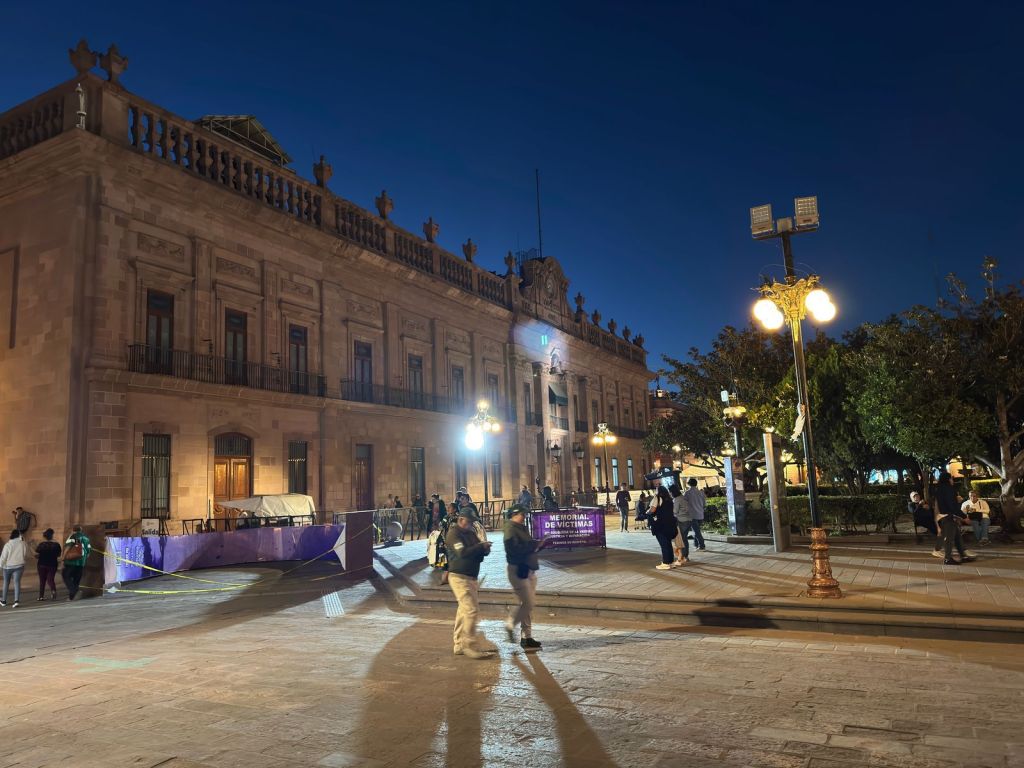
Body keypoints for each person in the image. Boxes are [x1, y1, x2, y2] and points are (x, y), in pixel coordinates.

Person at [445, 508, 496, 659]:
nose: (470, 525)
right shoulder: (453, 534)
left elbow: (477, 550)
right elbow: (463, 553)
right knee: (471, 610)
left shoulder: (471, 533)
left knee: (463, 611)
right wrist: (480, 547)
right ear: (461, 519)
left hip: (471, 577)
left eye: (472, 522)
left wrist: (485, 549)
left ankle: (459, 644)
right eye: (469, 521)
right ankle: (469, 645)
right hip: (459, 577)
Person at [503, 504, 548, 651]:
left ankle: (526, 637)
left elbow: (527, 546)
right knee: (528, 603)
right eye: (523, 514)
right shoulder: (510, 529)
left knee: (527, 605)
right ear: (515, 514)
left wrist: (539, 545)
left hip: (529, 569)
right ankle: (510, 623)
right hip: (519, 569)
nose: (525, 516)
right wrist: (533, 546)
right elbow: (513, 550)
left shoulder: (521, 527)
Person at [933, 473, 975, 566]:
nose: (952, 480)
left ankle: (963, 556)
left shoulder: (939, 489)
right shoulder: (949, 489)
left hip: (943, 516)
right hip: (948, 516)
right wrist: (964, 517)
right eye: (951, 478)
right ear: (948, 479)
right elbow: (952, 506)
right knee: (949, 539)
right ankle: (948, 559)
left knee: (957, 537)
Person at [648, 484, 677, 570]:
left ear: (658, 491)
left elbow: (652, 510)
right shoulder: (669, 500)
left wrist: (647, 513)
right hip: (670, 524)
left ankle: (665, 563)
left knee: (664, 544)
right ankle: (671, 562)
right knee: (668, 544)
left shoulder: (657, 498)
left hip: (661, 524)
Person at [62, 525, 92, 600]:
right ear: (81, 530)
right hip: (81, 563)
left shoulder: (73, 537)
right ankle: (71, 597)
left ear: (73, 530)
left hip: (71, 562)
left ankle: (73, 591)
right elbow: (88, 553)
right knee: (76, 579)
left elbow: (68, 547)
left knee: (66, 575)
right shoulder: (86, 538)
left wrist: (63, 558)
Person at [0, 529, 29, 607]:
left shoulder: (8, 545)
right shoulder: (23, 544)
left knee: (6, 583)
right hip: (19, 566)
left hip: (7, 567)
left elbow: (3, 557)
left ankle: (4, 601)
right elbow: (25, 554)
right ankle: (16, 601)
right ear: (19, 535)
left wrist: (1, 566)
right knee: (17, 583)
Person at [908, 491, 942, 556]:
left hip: (929, 518)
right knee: (932, 524)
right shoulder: (911, 504)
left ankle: (942, 534)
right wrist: (920, 505)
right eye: (914, 497)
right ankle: (939, 535)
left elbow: (931, 510)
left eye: (917, 496)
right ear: (912, 498)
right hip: (920, 520)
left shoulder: (923, 502)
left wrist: (929, 508)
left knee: (938, 521)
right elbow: (915, 513)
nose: (916, 498)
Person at [35, 528, 62, 601]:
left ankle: (41, 596)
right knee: (50, 579)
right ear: (52, 535)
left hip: (41, 564)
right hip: (52, 564)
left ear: (45, 536)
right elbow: (59, 555)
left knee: (42, 580)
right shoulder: (56, 545)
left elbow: (36, 555)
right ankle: (53, 591)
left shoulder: (41, 545)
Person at [683, 478, 707, 551]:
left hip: (692, 515)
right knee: (696, 530)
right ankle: (696, 545)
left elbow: (684, 504)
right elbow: (704, 504)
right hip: (700, 514)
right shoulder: (701, 492)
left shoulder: (687, 493)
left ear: (689, 484)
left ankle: (702, 546)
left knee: (697, 531)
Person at [671, 485, 690, 566]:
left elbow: (675, 511)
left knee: (680, 540)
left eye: (670, 492)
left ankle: (681, 558)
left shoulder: (677, 499)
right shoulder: (683, 497)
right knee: (684, 539)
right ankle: (686, 556)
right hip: (688, 520)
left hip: (681, 521)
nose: (670, 493)